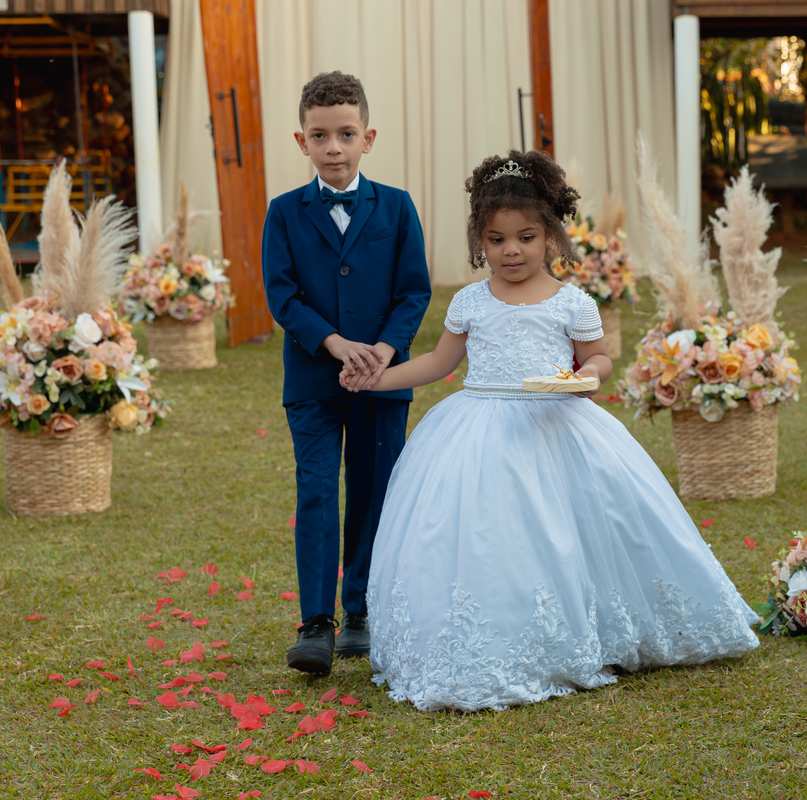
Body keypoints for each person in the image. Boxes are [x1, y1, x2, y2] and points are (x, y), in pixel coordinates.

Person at [344, 150, 759, 711]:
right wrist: (379, 379)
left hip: (556, 423)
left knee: (570, 526)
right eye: (495, 240)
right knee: (484, 538)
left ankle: (599, 626)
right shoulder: (469, 301)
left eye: (525, 237)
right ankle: (488, 638)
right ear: (479, 243)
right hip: (478, 427)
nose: (510, 250)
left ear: (551, 239)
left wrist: (586, 375)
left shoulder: (571, 302)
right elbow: (441, 364)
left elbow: (599, 358)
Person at [262, 71, 432, 674]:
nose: (333, 147)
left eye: (346, 134)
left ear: (368, 137)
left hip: (383, 380)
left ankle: (361, 609)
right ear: (301, 141)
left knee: (374, 489)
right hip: (313, 380)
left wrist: (385, 350)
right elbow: (281, 296)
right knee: (317, 490)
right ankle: (316, 623)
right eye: (320, 135)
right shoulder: (284, 213)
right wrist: (334, 344)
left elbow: (414, 291)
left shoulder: (397, 206)